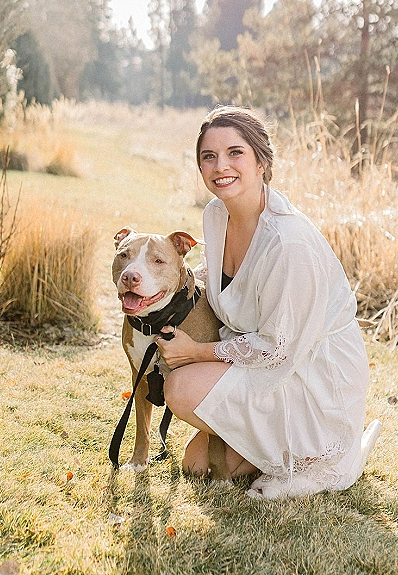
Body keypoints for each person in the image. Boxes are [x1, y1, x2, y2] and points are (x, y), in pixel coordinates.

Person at [157, 105, 381, 499]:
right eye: (208, 156)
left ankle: (318, 459)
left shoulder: (287, 242)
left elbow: (278, 347)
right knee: (196, 463)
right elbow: (229, 288)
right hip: (271, 360)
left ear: (262, 162)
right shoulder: (215, 214)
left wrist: (198, 351)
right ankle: (272, 448)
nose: (220, 165)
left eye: (235, 153)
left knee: (180, 388)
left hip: (311, 374)